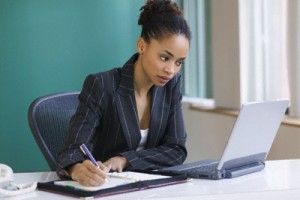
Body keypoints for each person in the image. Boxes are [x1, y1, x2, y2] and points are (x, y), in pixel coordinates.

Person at [57, 0, 191, 187]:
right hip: (104, 187)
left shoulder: (172, 85)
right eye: (164, 58)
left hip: (150, 189)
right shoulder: (102, 85)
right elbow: (71, 151)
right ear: (141, 46)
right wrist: (76, 169)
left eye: (179, 62)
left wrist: (125, 159)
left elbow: (176, 150)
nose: (171, 70)